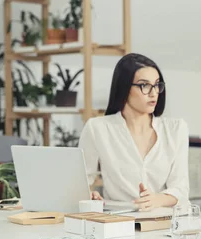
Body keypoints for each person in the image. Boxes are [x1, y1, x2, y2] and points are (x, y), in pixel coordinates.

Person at [78, 53, 190, 211]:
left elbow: (181, 189)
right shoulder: (97, 129)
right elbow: (79, 183)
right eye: (144, 85)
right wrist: (90, 195)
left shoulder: (176, 129)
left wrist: (157, 199)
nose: (153, 93)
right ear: (124, 88)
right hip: (118, 221)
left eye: (157, 85)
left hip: (165, 222)